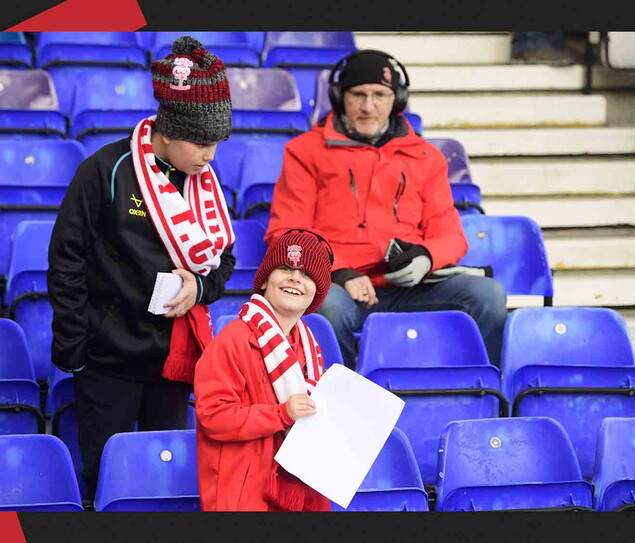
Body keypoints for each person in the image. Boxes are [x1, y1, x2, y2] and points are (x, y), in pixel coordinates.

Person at [47, 36, 236, 499]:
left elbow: (224, 258)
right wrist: (77, 343)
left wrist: (201, 287)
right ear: (168, 131)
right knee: (109, 480)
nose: (210, 155)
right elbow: (65, 257)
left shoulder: (203, 180)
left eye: (216, 143)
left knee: (165, 482)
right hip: (108, 357)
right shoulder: (105, 169)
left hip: (172, 361)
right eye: (201, 143)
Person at [265, 49, 507, 368]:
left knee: (487, 296)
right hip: (339, 288)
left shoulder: (426, 157)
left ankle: (477, 398)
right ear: (339, 97)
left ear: (398, 99)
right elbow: (287, 234)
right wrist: (336, 271)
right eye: (358, 95)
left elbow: (450, 235)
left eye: (380, 95)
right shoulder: (304, 152)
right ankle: (343, 405)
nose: (368, 106)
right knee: (324, 306)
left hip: (413, 288)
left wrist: (426, 257)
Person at [194, 229, 333, 511]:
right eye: (285, 268)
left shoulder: (309, 345)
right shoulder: (231, 340)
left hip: (301, 489)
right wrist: (281, 414)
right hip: (243, 494)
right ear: (265, 280)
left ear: (316, 293)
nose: (295, 277)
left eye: (307, 275)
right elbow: (214, 416)